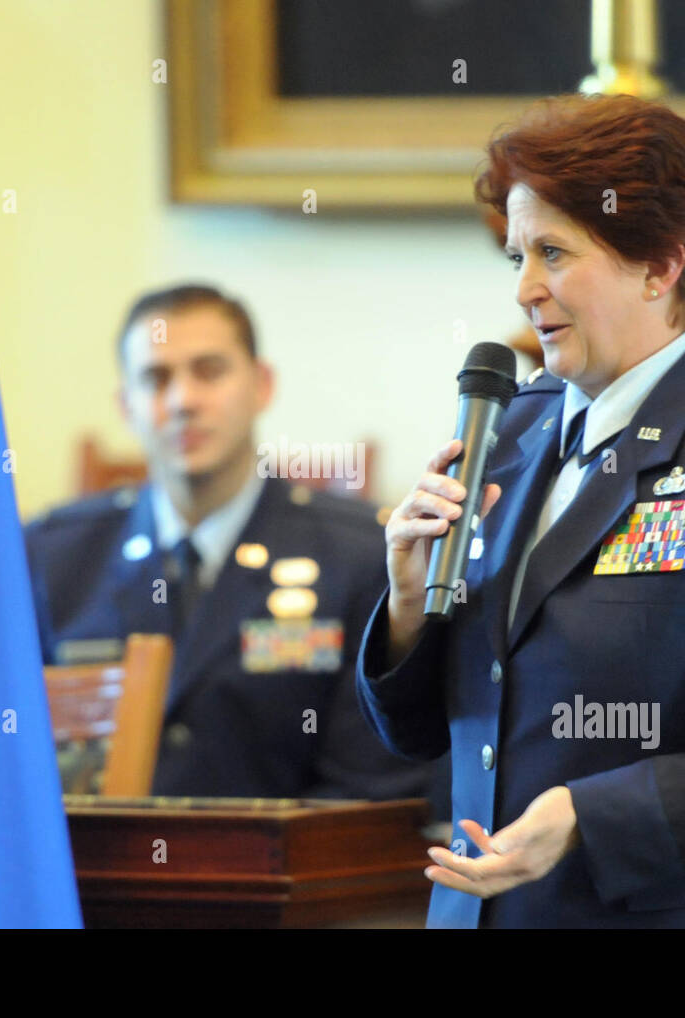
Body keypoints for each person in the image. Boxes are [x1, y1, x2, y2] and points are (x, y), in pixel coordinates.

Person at [356, 94, 685, 928]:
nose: (528, 288)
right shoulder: (511, 429)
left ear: (660, 266)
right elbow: (436, 731)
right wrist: (405, 605)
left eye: (554, 253)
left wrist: (586, 816)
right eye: (516, 259)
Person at [26, 283, 435, 802]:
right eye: (156, 378)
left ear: (261, 385)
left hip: (282, 875)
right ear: (125, 405)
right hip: (97, 875)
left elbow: (373, 783)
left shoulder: (359, 557)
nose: (182, 401)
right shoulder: (52, 556)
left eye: (209, 371)